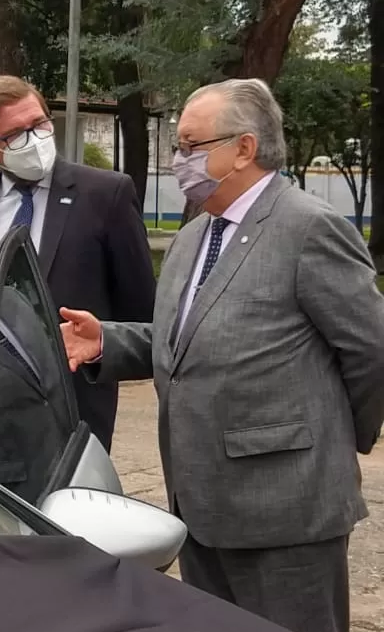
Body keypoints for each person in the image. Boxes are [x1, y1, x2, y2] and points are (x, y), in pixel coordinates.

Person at [58, 78, 384, 632]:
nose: (178, 159)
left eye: (190, 146)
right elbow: (187, 338)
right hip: (199, 500)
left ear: (244, 148)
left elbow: (371, 348)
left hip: (287, 506)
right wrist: (108, 342)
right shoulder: (195, 236)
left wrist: (334, 438)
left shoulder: (308, 227)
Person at [0, 75, 153, 456]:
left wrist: (99, 347)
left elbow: (140, 313)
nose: (35, 139)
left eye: (39, 124)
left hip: (71, 414)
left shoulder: (107, 195)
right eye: (16, 134)